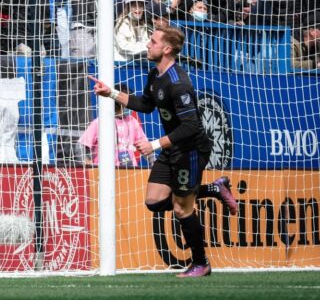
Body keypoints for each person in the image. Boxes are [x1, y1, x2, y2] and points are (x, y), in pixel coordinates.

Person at [90, 26, 238, 278]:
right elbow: (146, 105)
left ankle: (201, 264)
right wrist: (111, 93)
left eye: (153, 41)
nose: (148, 44)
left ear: (167, 49)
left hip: (190, 151)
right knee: (154, 201)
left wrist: (155, 144)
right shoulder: (155, 75)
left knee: (182, 209)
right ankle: (214, 189)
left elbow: (191, 127)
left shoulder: (179, 84)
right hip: (173, 149)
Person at [78, 84, 147, 166]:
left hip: (130, 171)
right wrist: (87, 161)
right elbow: (81, 145)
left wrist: (153, 163)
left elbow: (145, 146)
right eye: (128, 101)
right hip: (103, 171)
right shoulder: (100, 122)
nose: (130, 104)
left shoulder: (132, 121)